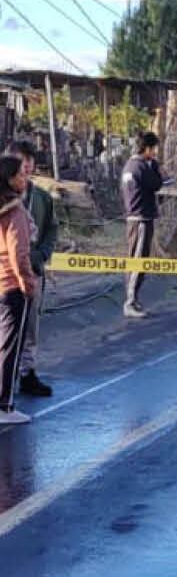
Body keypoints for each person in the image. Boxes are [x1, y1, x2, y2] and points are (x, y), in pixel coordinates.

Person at [7, 141, 55, 396]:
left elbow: (51, 230)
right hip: (7, 275)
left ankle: (27, 372)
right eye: (20, 159)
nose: (26, 164)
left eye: (29, 159)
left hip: (31, 271)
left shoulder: (42, 198)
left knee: (30, 326)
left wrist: (41, 255)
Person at [0, 155, 39, 425]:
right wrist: (28, 284)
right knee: (10, 347)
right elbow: (19, 254)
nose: (25, 179)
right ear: (10, 179)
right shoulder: (14, 212)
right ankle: (5, 405)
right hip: (12, 286)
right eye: (21, 174)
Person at [120, 131, 164, 318]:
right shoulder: (141, 167)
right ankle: (130, 301)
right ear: (147, 148)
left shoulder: (129, 166)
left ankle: (133, 299)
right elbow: (157, 184)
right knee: (138, 259)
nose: (155, 153)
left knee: (136, 258)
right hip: (141, 218)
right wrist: (155, 167)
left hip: (134, 217)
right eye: (154, 149)